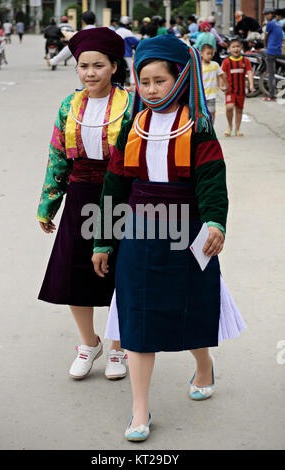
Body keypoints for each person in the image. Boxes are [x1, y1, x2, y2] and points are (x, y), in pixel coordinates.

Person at [92, 35, 246, 441]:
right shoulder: (132, 127)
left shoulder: (198, 128)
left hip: (186, 230)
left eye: (160, 80)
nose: (151, 89)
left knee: (191, 305)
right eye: (144, 82)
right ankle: (139, 410)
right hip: (140, 233)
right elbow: (115, 184)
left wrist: (215, 222)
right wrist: (104, 240)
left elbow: (213, 181)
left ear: (180, 79)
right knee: (137, 315)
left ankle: (203, 364)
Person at [37, 28, 133, 381]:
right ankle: (88, 343)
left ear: (113, 67)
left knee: (119, 271)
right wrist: (48, 205)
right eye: (83, 66)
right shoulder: (69, 106)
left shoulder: (132, 105)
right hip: (79, 195)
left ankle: (118, 347)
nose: (90, 73)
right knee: (74, 270)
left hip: (121, 195)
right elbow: (57, 157)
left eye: (98, 65)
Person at [222, 38, 254, 136]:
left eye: (238, 47)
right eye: (233, 47)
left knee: (239, 110)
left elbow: (249, 72)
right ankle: (229, 127)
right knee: (229, 107)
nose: (236, 49)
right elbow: (221, 74)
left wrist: (251, 84)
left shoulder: (245, 61)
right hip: (230, 90)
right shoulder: (227, 61)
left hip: (241, 90)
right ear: (229, 49)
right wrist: (222, 85)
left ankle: (237, 129)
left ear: (241, 48)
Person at [201, 44, 228, 122]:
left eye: (211, 54)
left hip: (211, 95)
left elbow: (221, 75)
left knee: (212, 112)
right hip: (201, 96)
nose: (210, 56)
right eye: (208, 53)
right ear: (201, 53)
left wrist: (225, 84)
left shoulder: (215, 65)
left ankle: (211, 129)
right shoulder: (198, 66)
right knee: (202, 114)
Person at [263, 7, 283, 102]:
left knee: (271, 75)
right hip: (278, 51)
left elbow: (265, 37)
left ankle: (271, 96)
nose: (266, 16)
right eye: (265, 15)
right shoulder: (279, 24)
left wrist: (265, 47)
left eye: (267, 14)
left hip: (271, 51)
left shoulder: (270, 24)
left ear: (272, 14)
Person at [116, 16, 139, 87]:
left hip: (117, 54)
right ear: (127, 24)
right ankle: (132, 84)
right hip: (127, 54)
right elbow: (136, 42)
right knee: (133, 68)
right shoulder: (127, 32)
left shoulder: (116, 31)